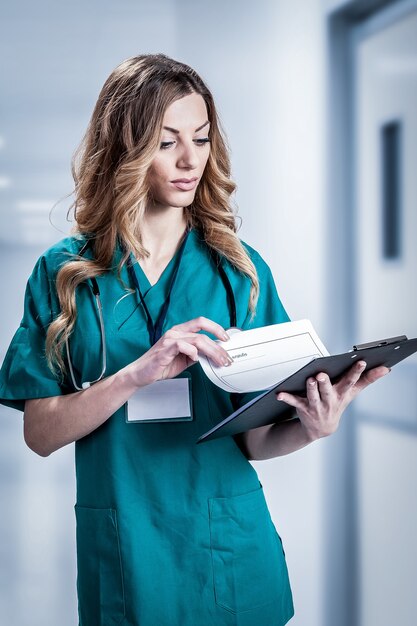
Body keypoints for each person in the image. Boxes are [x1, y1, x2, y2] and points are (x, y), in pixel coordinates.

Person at [0, 54, 389, 626]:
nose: (190, 160)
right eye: (165, 142)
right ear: (125, 149)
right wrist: (137, 373)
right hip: (125, 549)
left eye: (201, 139)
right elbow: (39, 434)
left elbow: (253, 442)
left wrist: (310, 427)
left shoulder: (240, 272)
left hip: (228, 550)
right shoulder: (65, 274)